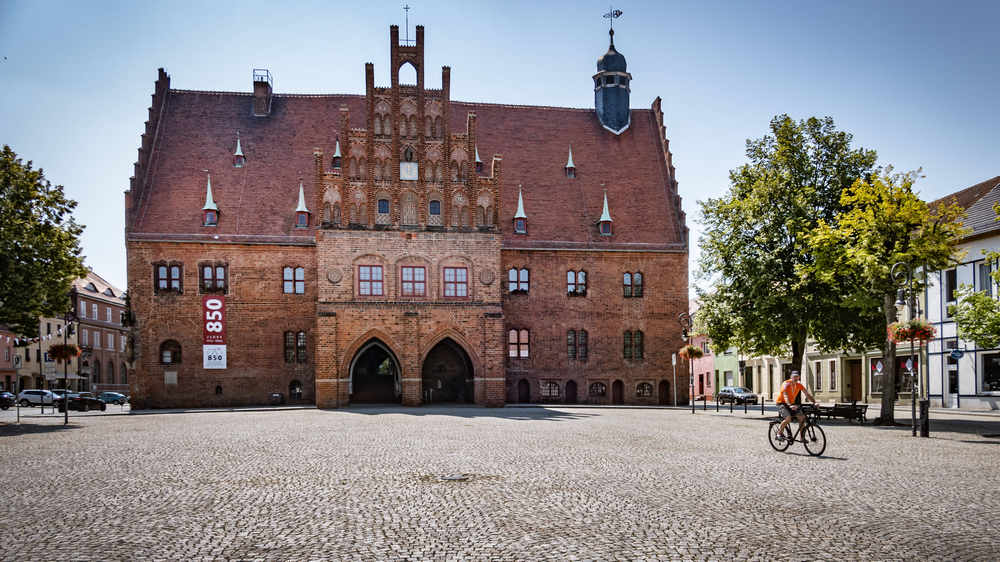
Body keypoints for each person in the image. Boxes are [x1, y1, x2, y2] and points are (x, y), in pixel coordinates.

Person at [775, 371, 817, 441]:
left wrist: (814, 402)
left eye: (797, 376)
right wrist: (789, 405)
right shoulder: (786, 383)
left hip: (792, 404)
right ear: (791, 377)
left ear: (799, 377)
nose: (796, 378)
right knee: (788, 418)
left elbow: (807, 394)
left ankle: (802, 437)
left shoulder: (799, 384)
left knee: (802, 418)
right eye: (794, 376)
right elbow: (785, 395)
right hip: (782, 403)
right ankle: (779, 434)